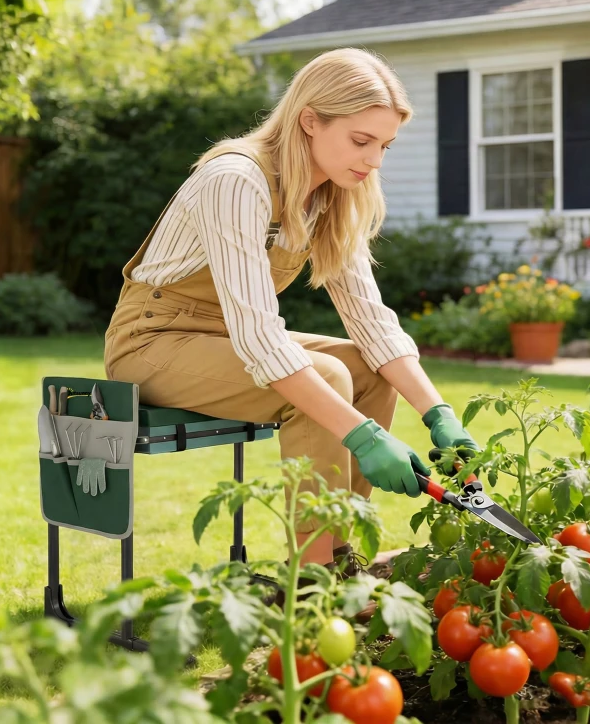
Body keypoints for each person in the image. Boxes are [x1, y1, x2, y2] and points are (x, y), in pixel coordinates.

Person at [104, 47, 479, 580]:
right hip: (152, 343)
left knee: (366, 367)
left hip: (226, 341)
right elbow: (261, 338)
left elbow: (371, 321)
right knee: (325, 375)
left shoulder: (331, 194)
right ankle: (311, 578)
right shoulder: (236, 179)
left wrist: (439, 414)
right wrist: (365, 437)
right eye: (361, 140)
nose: (374, 160)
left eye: (384, 146)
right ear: (309, 120)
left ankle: (340, 557)